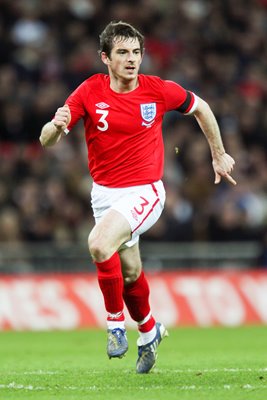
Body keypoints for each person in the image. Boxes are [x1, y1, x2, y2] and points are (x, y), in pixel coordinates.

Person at [39, 21, 236, 373]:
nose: (132, 60)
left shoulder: (157, 91)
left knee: (99, 245)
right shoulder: (88, 92)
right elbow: (45, 141)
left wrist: (218, 154)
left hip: (145, 191)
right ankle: (149, 331)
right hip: (104, 196)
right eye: (123, 53)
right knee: (129, 274)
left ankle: (115, 326)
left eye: (136, 53)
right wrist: (55, 126)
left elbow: (202, 108)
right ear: (105, 58)